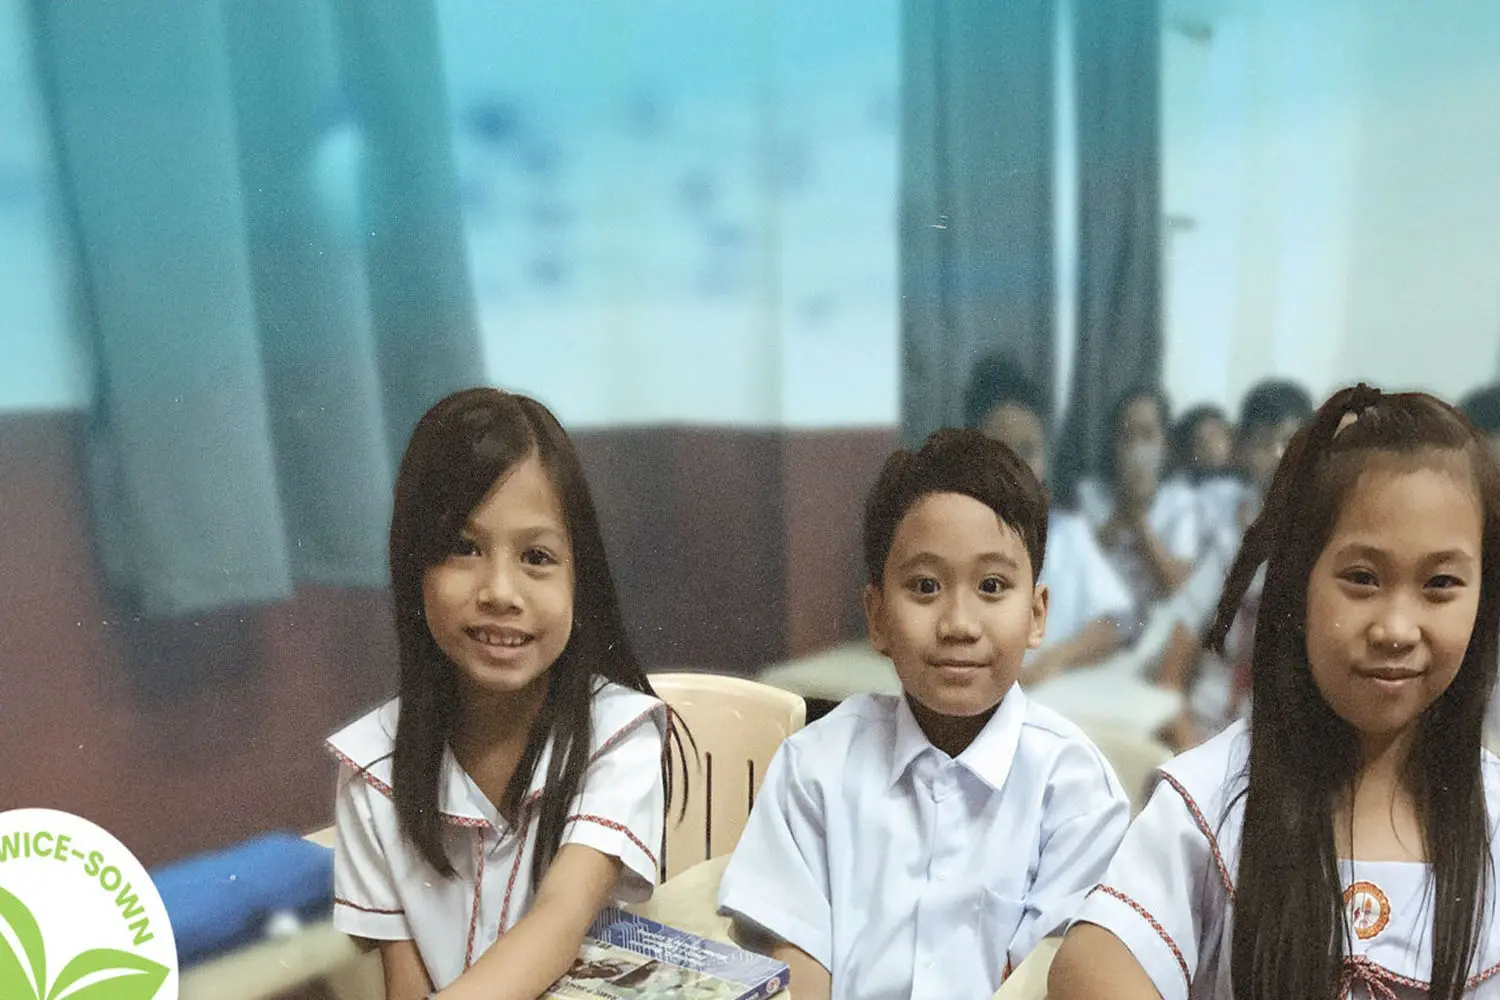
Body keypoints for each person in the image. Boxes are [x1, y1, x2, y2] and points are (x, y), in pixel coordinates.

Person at [1049, 385, 1500, 999]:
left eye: (1441, 583)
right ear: (1297, 583)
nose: (1396, 628)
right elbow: (1092, 963)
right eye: (1362, 578)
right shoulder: (1212, 800)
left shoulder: (1491, 817)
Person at [718, 428, 1131, 1000]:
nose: (959, 624)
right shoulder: (815, 768)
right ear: (877, 616)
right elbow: (797, 962)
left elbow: (1051, 979)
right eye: (926, 586)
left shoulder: (1077, 792)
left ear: (1037, 614)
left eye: (992, 585)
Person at [327, 388, 683, 1000]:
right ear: (415, 566)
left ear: (580, 578)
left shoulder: (619, 737)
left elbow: (561, 918)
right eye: (464, 548)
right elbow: (404, 982)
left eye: (536, 557)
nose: (499, 590)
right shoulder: (371, 770)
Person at [966, 356, 1133, 682]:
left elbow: (1114, 624)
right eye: (998, 451)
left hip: (1053, 687)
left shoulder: (1068, 533)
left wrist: (1050, 663)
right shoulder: (953, 538)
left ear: (1045, 461)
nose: (1014, 466)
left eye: (1028, 450)